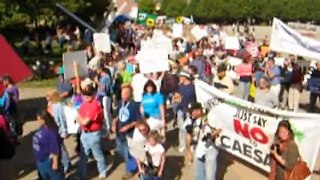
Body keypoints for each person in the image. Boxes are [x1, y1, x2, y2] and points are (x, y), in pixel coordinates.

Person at [77, 84, 108, 179]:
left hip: (93, 134)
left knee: (97, 154)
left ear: (93, 94)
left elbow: (85, 121)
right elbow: (78, 116)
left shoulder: (95, 105)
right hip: (84, 133)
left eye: (88, 95)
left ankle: (102, 171)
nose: (86, 96)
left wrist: (80, 120)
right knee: (83, 156)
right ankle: (80, 175)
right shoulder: (84, 104)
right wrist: (81, 120)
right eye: (84, 94)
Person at [112, 85, 142, 179]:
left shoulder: (135, 105)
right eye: (122, 93)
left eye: (125, 93)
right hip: (119, 133)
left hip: (129, 134)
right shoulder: (121, 102)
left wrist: (128, 126)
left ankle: (129, 171)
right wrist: (114, 122)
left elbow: (138, 120)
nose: (123, 95)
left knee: (127, 154)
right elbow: (118, 114)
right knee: (120, 149)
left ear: (130, 94)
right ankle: (136, 161)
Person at [33, 110, 64, 180]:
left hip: (48, 161)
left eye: (39, 119)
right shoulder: (42, 128)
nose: (38, 121)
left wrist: (55, 162)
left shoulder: (51, 132)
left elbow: (55, 148)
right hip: (40, 160)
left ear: (44, 120)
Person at [46, 89, 71, 174]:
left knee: (60, 147)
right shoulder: (50, 104)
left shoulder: (58, 106)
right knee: (57, 147)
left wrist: (64, 132)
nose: (46, 98)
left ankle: (66, 164)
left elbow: (62, 119)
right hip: (51, 129)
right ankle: (64, 163)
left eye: (48, 96)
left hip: (58, 130)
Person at [175, 71, 197, 152]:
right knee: (181, 128)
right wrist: (176, 98)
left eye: (181, 76)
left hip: (190, 111)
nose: (180, 77)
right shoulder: (179, 86)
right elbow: (176, 98)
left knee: (190, 128)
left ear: (185, 77)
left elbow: (196, 98)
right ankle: (182, 144)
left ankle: (190, 144)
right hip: (181, 110)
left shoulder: (193, 87)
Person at [96, 65, 113, 135]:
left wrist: (97, 82)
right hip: (101, 96)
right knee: (105, 112)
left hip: (105, 96)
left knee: (106, 112)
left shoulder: (106, 77)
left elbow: (104, 88)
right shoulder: (103, 77)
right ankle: (108, 126)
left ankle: (108, 127)